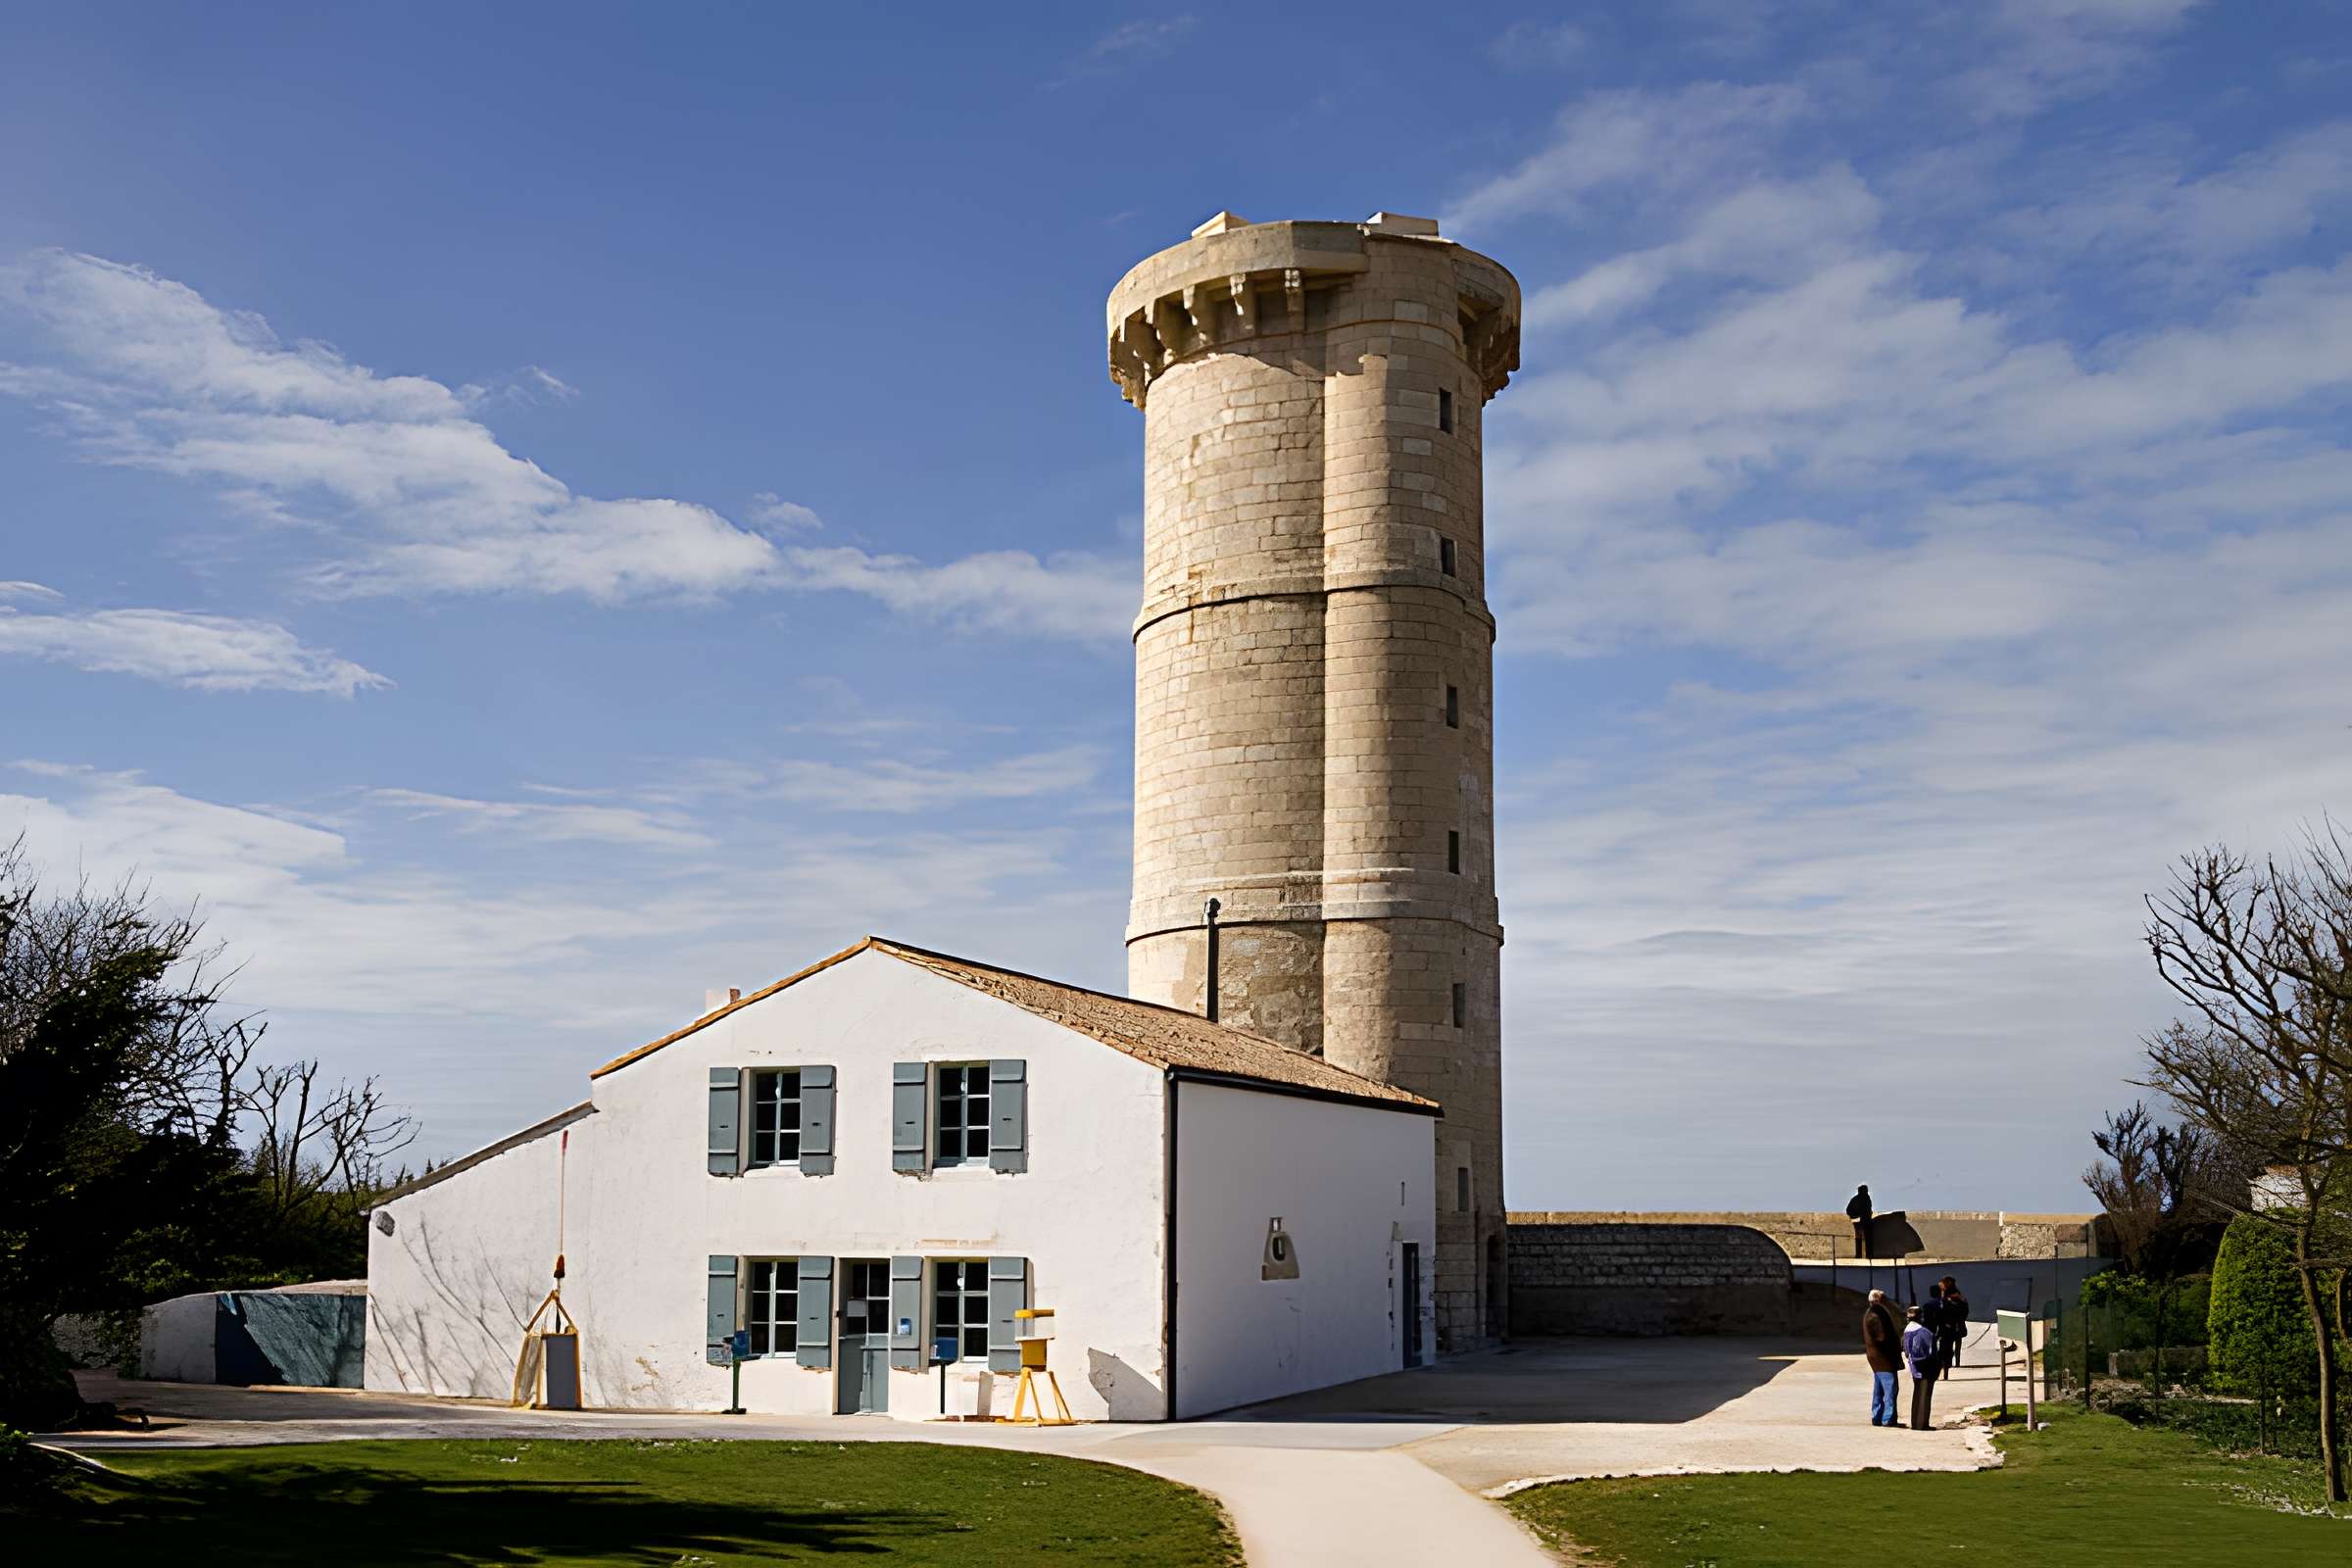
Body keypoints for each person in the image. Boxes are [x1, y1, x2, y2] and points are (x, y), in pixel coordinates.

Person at [1862, 1288, 1901, 1427]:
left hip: (1877, 1358)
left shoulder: (1874, 1313)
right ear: (1877, 1300)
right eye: (1883, 1299)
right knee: (1890, 1390)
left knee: (1879, 1390)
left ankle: (1877, 1416)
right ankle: (1888, 1418)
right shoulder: (1876, 1314)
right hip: (1883, 1358)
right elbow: (1882, 1337)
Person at [1904, 1302, 1938, 1430]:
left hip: (1914, 1368)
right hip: (1925, 1369)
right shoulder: (1924, 1333)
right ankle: (1921, 1424)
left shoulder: (1907, 1331)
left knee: (1917, 1395)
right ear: (1921, 1317)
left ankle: (1917, 1422)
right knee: (1924, 1397)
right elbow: (1931, 1353)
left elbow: (1907, 1352)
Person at [1937, 1275, 1970, 1377]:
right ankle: (1955, 1362)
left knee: (1950, 1344)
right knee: (1955, 1344)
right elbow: (1965, 1308)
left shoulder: (1948, 1296)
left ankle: (1950, 1363)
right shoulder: (1957, 1295)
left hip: (1951, 1325)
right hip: (1956, 1324)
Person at [1845, 1184, 1874, 1259]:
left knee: (1867, 1239)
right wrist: (1858, 1215)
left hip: (1865, 1221)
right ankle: (1865, 1255)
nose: (1866, 1192)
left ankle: (1867, 1254)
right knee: (1863, 1239)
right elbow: (1849, 1211)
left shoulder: (1865, 1198)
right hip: (1862, 1222)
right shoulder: (1858, 1199)